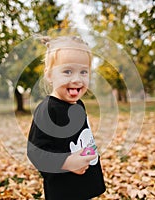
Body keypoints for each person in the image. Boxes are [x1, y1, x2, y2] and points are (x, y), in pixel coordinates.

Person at [27, 36, 106, 200]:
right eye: (67, 71)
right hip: (64, 190)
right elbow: (36, 152)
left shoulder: (79, 104)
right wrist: (66, 162)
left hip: (83, 184)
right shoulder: (48, 110)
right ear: (49, 75)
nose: (77, 79)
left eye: (83, 72)